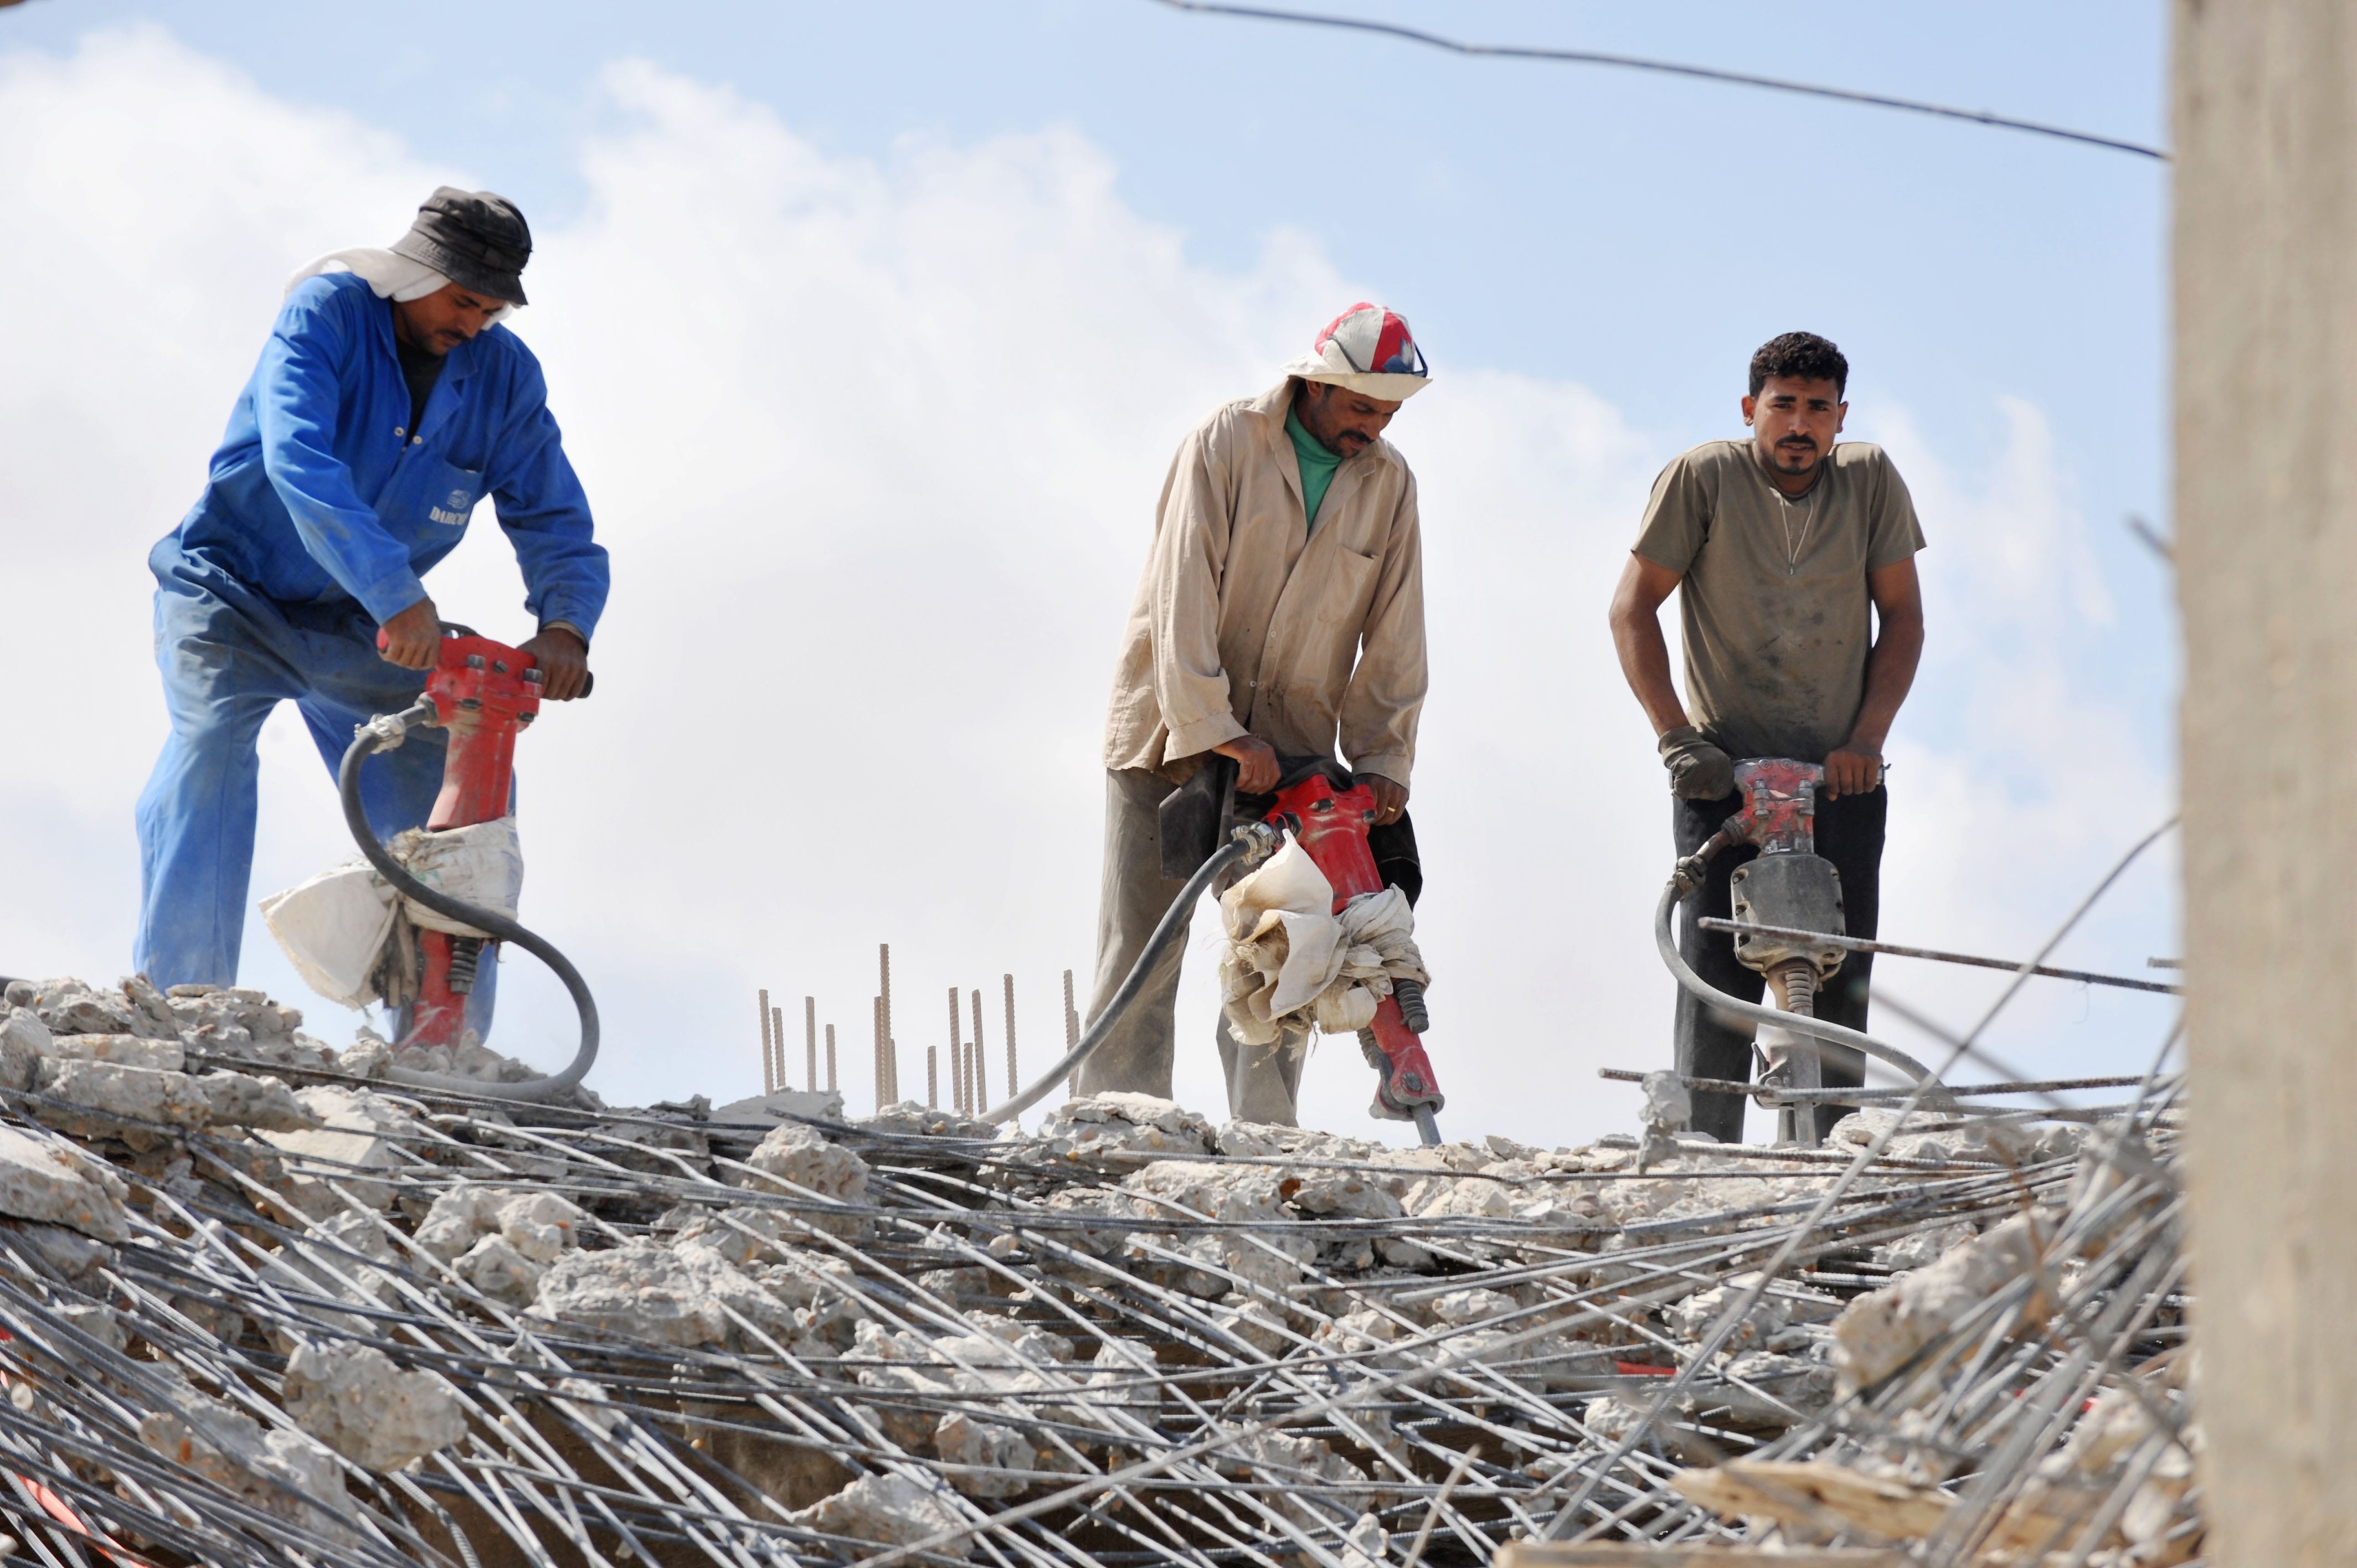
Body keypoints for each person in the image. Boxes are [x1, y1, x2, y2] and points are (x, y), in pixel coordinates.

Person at [134, 187, 608, 1043]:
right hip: (232, 594)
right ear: (414, 273)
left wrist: (566, 626)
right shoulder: (328, 314)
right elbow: (298, 458)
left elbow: (551, 512)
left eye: (491, 308)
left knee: (454, 811)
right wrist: (396, 593)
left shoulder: (504, 377)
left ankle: (441, 1047)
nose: (474, 322)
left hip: (366, 630)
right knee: (208, 754)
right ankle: (181, 1017)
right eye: (462, 299)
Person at [1085, 303, 1432, 1125]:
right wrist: (1217, 730)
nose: (1373, 427)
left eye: (1388, 412)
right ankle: (1121, 1130)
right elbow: (1182, 591)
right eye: (1360, 407)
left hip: (1293, 758)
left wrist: (1384, 758)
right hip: (1169, 738)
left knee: (1290, 952)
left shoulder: (1390, 485)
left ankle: (1268, 1140)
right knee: (1145, 948)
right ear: (1316, 385)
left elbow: (1396, 631)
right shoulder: (1229, 442)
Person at [1608, 331, 1926, 1144]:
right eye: (1782, 405)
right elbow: (1632, 608)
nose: (1799, 425)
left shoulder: (1870, 481)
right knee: (1717, 973)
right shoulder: (1705, 476)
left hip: (1839, 778)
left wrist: (1867, 739)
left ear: (1840, 416)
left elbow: (1904, 618)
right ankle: (1711, 1155)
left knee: (1839, 972)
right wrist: (1678, 740)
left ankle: (1826, 1163)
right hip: (1726, 775)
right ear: (1751, 408)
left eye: (1818, 409)